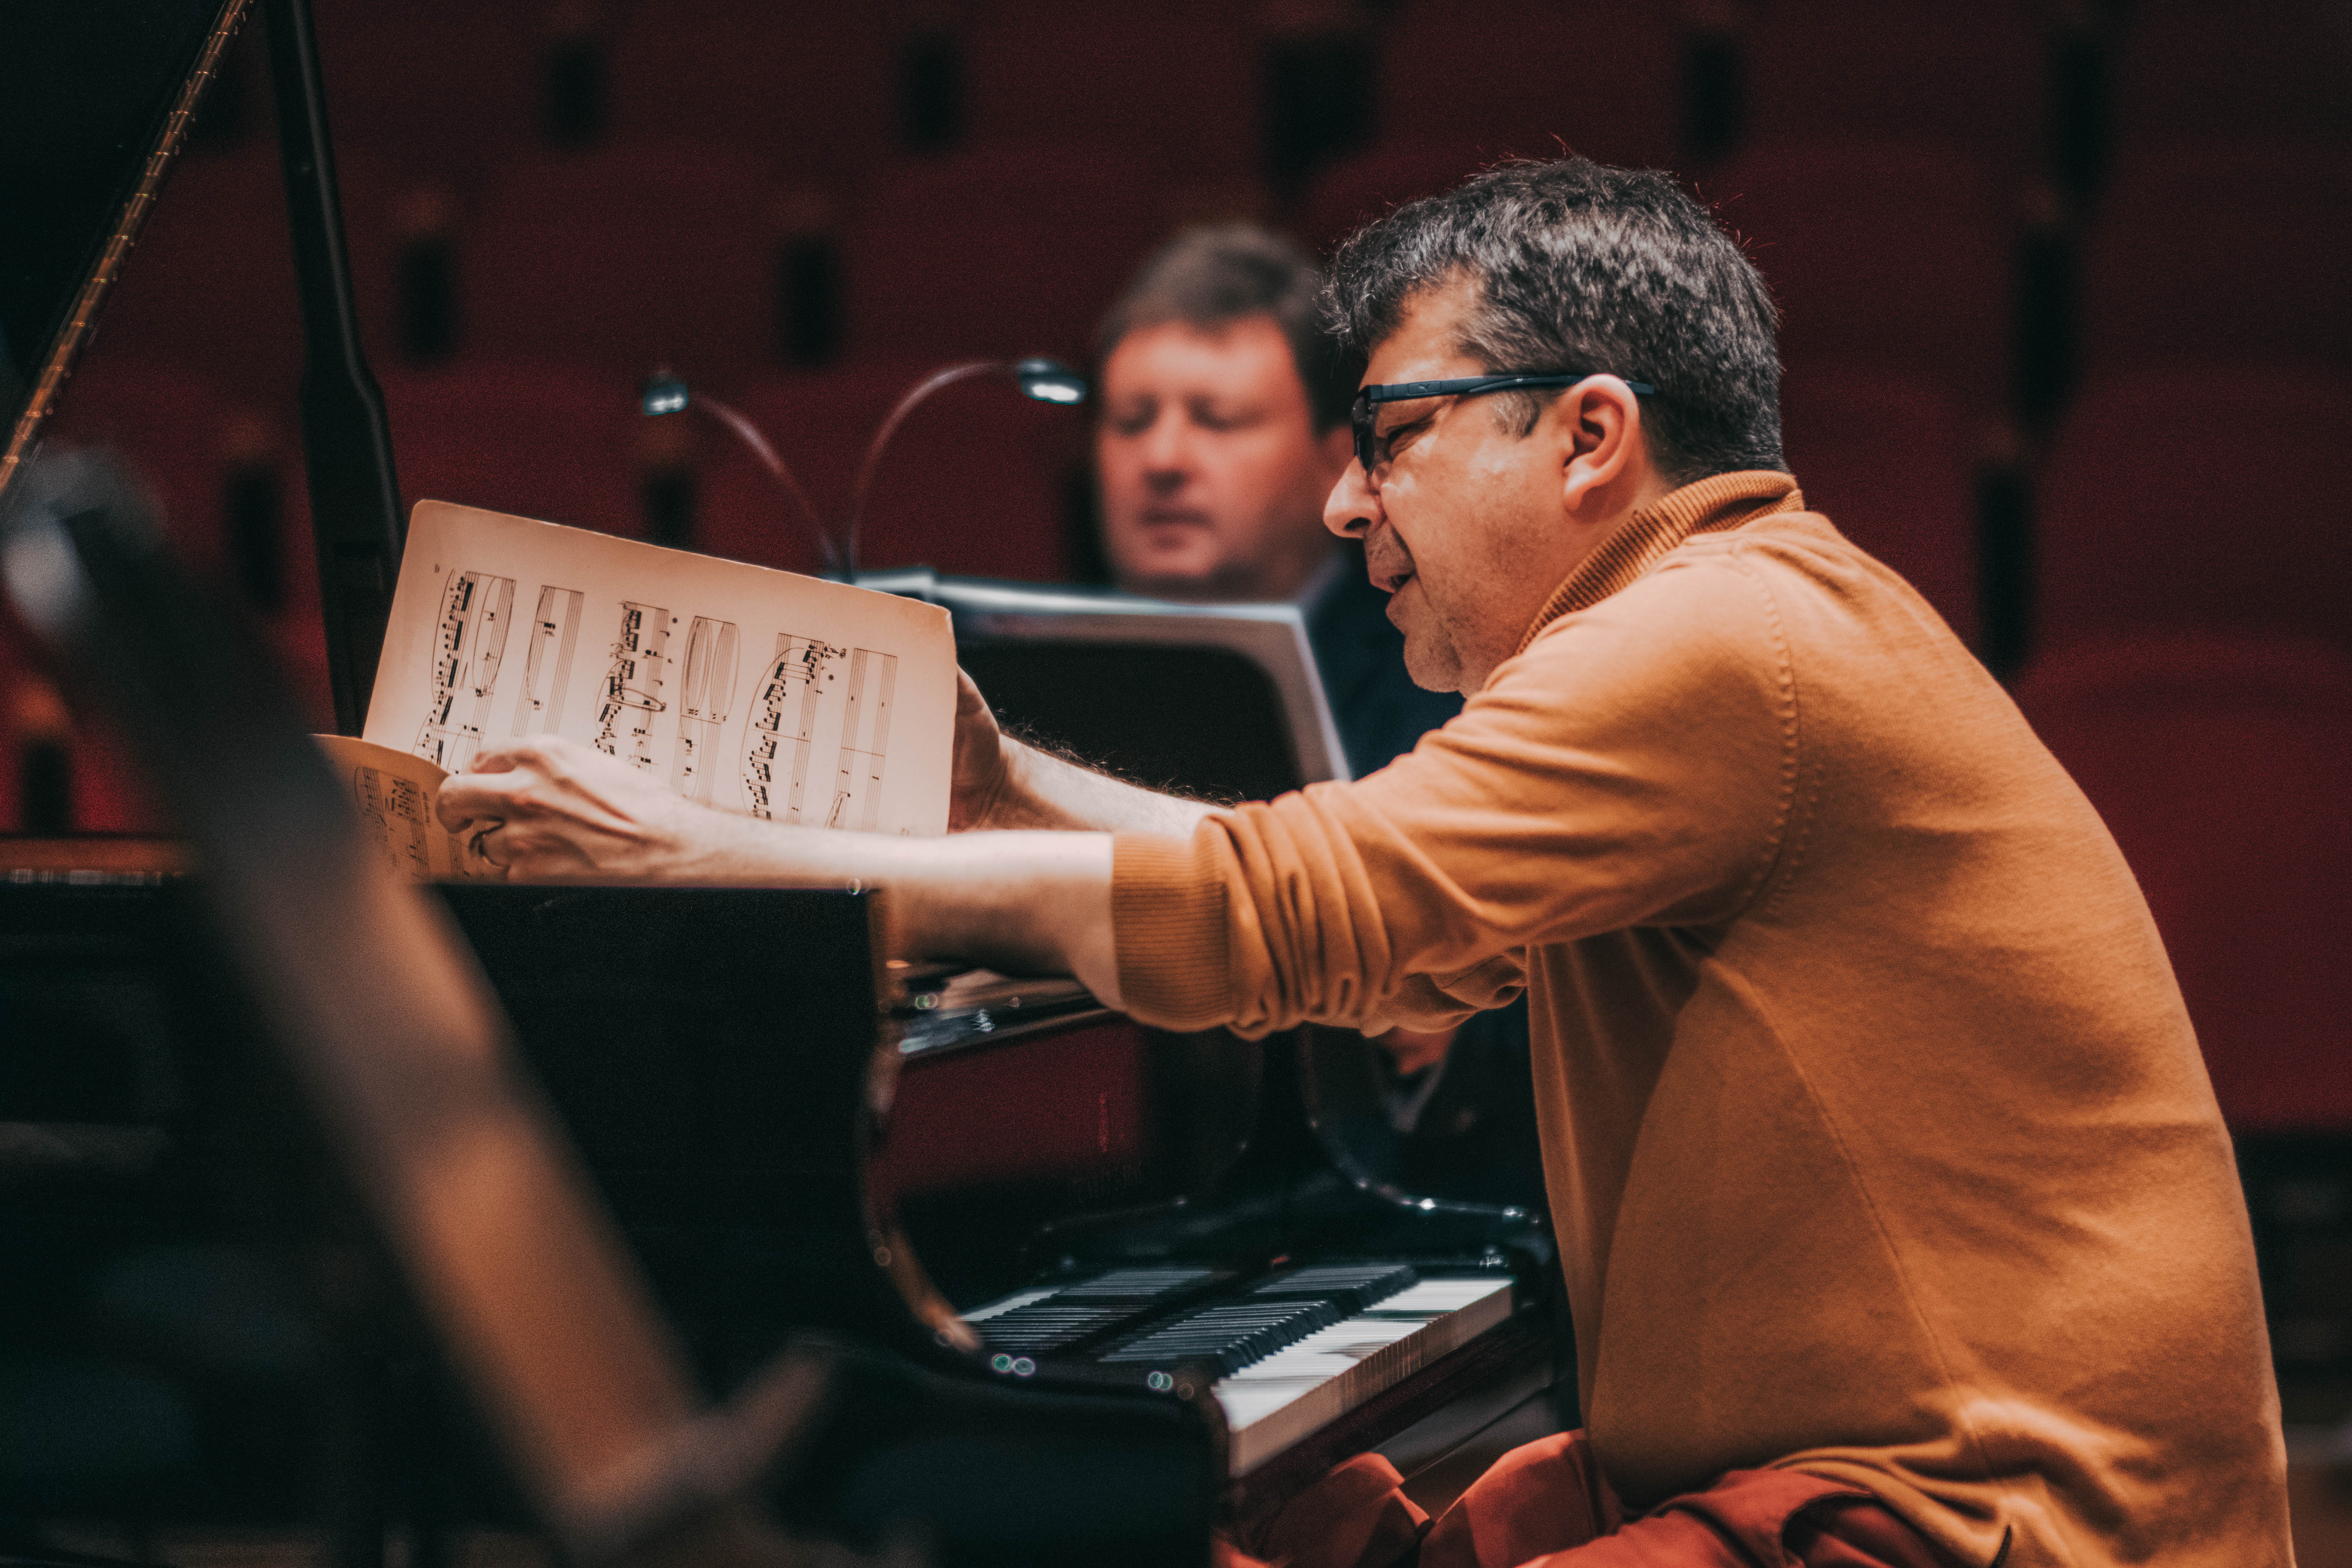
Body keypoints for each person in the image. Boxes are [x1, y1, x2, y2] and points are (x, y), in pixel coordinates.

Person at [439, 159, 2292, 1566]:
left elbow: (1298, 915)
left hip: (1985, 1521)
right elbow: (1394, 945)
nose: (1344, 504)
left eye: (1388, 438)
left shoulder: (1724, 636)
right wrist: (1003, 787)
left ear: (1588, 435)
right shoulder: (1759, 612)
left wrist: (731, 859)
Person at [1091, 222, 1538, 1200]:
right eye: (1131, 421)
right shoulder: (1041, 681)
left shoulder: (1461, 666)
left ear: (1335, 457)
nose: (1162, 459)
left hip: (1429, 1200)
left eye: (1217, 419)